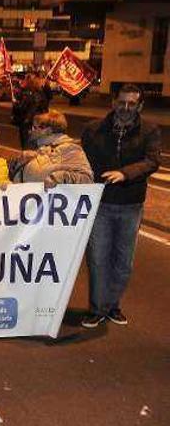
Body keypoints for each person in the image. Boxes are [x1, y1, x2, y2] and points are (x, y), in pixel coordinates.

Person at [80, 85, 160, 328]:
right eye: (121, 102)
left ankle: (112, 305)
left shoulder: (150, 131)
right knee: (98, 259)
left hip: (130, 205)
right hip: (100, 204)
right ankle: (97, 308)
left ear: (140, 106)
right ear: (113, 102)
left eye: (131, 104)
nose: (125, 108)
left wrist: (125, 173)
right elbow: (81, 160)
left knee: (123, 262)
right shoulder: (93, 129)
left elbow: (152, 161)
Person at [9, 110, 93, 188]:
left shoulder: (70, 149)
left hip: (52, 199)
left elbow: (86, 179)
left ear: (47, 130)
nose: (30, 131)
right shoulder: (38, 148)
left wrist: (60, 178)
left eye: (34, 127)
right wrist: (18, 162)